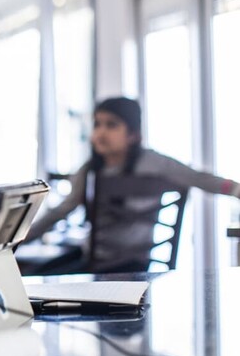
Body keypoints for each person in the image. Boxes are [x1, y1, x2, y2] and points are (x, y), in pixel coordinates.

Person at [26, 97, 240, 273]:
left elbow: (199, 178)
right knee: (34, 274)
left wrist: (235, 189)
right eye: (97, 124)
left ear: (133, 134)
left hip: (115, 266)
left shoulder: (152, 163)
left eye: (111, 125)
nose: (100, 133)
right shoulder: (89, 169)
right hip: (100, 262)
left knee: (34, 279)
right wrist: (22, 236)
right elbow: (61, 210)